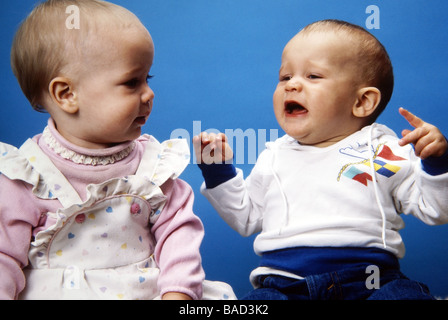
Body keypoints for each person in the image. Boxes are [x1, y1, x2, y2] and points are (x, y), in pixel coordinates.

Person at [193, 19, 448, 300]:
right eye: (285, 77)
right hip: (285, 286)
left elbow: (437, 209)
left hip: (371, 282)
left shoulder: (385, 151)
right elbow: (246, 216)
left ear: (362, 102)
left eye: (313, 76)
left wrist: (436, 162)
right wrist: (217, 171)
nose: (292, 85)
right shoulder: (275, 156)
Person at [0, 0, 235, 300]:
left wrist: (178, 293)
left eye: (147, 79)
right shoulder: (27, 176)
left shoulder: (153, 167)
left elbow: (179, 234)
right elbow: (3, 258)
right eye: (131, 82)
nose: (149, 94)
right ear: (67, 94)